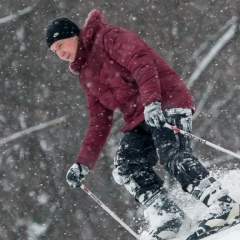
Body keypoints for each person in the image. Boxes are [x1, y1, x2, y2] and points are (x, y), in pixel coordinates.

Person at [45, 9, 240, 240]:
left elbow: (141, 62)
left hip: (166, 100)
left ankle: (224, 205)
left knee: (172, 154)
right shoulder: (85, 74)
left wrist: (152, 103)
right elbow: (99, 122)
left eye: (60, 45)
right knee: (127, 166)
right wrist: (83, 164)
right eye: (54, 51)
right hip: (139, 118)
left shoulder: (108, 37)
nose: (59, 53)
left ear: (74, 35)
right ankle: (169, 217)